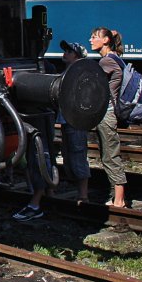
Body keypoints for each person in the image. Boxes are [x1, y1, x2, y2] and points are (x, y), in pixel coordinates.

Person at [90, 26, 128, 207]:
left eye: (94, 37)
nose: (91, 40)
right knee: (109, 155)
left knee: (110, 156)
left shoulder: (106, 62)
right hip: (108, 113)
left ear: (105, 40)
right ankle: (117, 198)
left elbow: (91, 83)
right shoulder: (115, 58)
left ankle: (119, 200)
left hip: (107, 113)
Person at [58, 40, 91, 204]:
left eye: (69, 51)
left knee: (77, 154)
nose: (65, 53)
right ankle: (80, 193)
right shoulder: (69, 71)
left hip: (75, 120)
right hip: (67, 120)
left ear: (76, 55)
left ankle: (83, 195)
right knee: (70, 154)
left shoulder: (79, 73)